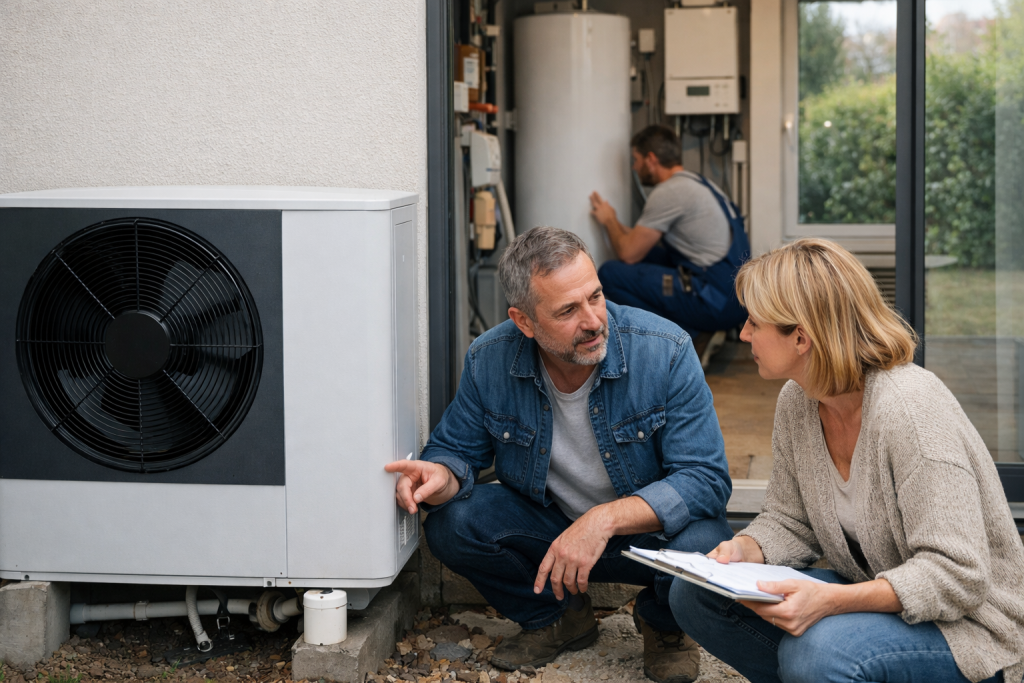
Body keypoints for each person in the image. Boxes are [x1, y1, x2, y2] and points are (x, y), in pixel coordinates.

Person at [385, 227, 733, 683]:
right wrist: (439, 475)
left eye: (596, 296)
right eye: (568, 310)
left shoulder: (664, 350)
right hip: (552, 532)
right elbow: (454, 452)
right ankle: (558, 617)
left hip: (643, 536)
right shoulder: (489, 358)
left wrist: (602, 520)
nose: (592, 320)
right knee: (452, 524)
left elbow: (706, 480)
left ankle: (663, 624)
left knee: (706, 542)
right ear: (524, 321)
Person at [670, 238, 1024, 683]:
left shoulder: (911, 411)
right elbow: (789, 519)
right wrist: (746, 549)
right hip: (880, 594)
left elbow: (959, 575)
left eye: (754, 323)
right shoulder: (798, 401)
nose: (742, 334)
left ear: (800, 337)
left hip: (969, 629)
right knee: (696, 595)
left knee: (820, 652)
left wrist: (831, 601)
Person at [588, 125, 748, 355]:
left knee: (611, 273)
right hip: (735, 297)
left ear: (651, 159)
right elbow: (637, 241)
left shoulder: (668, 193)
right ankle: (695, 328)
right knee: (652, 254)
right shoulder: (699, 183)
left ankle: (685, 336)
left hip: (715, 302)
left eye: (636, 159)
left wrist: (609, 220)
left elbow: (628, 253)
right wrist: (616, 225)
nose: (634, 167)